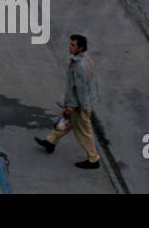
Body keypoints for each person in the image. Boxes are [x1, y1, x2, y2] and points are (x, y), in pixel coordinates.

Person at [35, 34, 101, 169]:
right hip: (83, 102)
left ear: (80, 47)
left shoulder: (79, 66)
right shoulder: (85, 58)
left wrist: (70, 108)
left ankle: (93, 159)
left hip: (80, 106)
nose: (70, 47)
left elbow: (79, 91)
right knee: (65, 122)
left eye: (73, 45)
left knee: (84, 132)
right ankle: (51, 141)